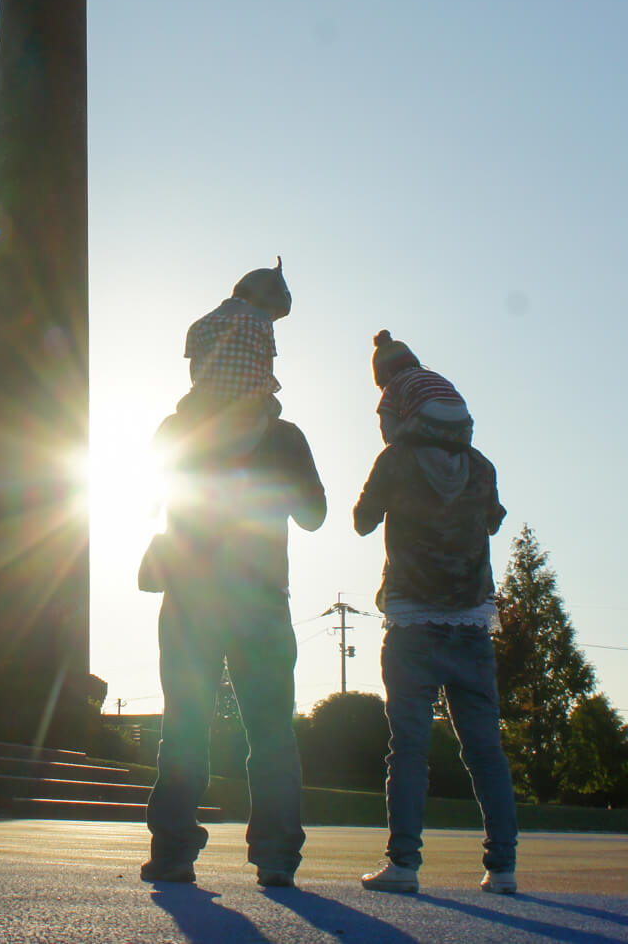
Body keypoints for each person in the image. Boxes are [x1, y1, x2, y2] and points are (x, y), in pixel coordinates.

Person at [352, 334, 518, 896]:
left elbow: (362, 522)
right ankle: (503, 868)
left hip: (412, 624)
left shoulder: (395, 461)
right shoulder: (481, 466)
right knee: (486, 750)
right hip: (472, 623)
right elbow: (493, 519)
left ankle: (404, 864)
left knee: (409, 749)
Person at [139, 402, 326, 890]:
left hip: (190, 600)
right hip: (260, 600)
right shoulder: (283, 436)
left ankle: (174, 853)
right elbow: (314, 516)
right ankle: (277, 856)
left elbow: (151, 498)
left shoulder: (178, 428)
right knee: (271, 732)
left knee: (184, 726)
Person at [175, 259, 293, 458]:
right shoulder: (261, 322)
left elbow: (194, 371)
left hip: (205, 400)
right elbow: (267, 369)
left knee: (181, 413)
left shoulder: (199, 324)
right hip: (248, 404)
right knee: (281, 419)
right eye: (274, 315)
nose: (272, 319)